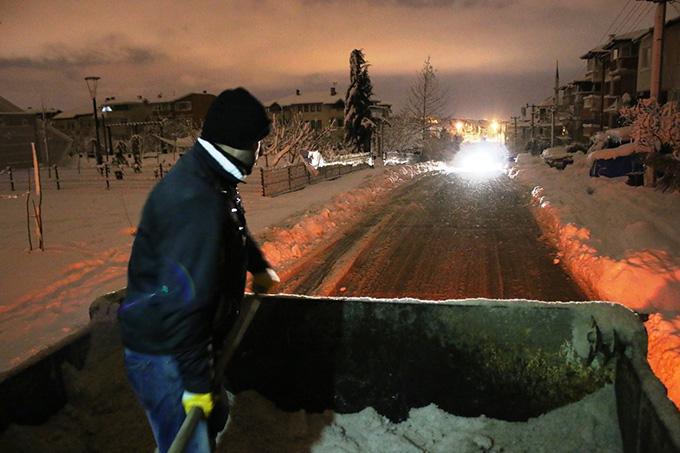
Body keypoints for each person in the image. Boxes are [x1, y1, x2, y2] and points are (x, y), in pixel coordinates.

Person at [118, 87, 280, 452]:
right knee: (190, 443)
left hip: (184, 344)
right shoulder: (195, 200)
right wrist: (194, 384)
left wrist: (255, 265)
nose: (258, 152)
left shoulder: (212, 179)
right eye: (255, 143)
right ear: (237, 142)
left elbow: (230, 227)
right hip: (166, 352)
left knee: (213, 419)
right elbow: (181, 305)